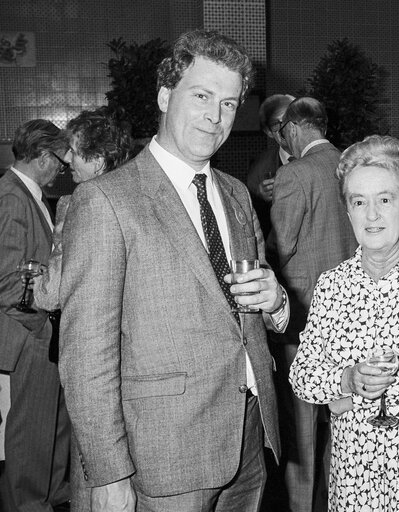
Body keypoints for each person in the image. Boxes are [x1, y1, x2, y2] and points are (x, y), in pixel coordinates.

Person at [59, 29, 287, 511]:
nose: (214, 115)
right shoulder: (106, 201)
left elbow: (248, 310)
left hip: (248, 439)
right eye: (201, 95)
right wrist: (108, 473)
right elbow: (85, 354)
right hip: (160, 457)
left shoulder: (236, 194)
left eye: (228, 103)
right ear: (165, 95)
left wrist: (277, 301)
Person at [289, 135, 399, 511]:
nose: (371, 215)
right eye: (359, 202)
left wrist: (345, 395)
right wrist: (346, 379)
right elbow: (303, 376)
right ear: (348, 211)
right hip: (354, 465)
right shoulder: (332, 283)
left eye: (384, 200)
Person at [267, 96, 357, 512]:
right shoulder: (350, 165)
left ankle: (302, 506)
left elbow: (281, 247)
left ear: (292, 128)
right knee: (341, 426)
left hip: (302, 317)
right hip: (352, 313)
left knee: (301, 433)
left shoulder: (295, 173)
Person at [0, 119, 70, 511]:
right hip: (28, 333)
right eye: (58, 160)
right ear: (43, 156)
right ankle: (27, 501)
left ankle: (51, 490)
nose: (61, 168)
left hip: (38, 329)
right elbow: (6, 283)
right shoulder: (11, 199)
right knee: (31, 429)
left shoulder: (30, 196)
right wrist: (41, 327)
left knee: (53, 422)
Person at [35, 107, 133, 312]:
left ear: (97, 160)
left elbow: (50, 295)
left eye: (74, 151)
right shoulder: (134, 199)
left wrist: (37, 278)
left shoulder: (77, 205)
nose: (68, 158)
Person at [246, 93, 295, 238]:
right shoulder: (260, 169)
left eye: (289, 120)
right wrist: (259, 198)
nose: (284, 128)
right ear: (268, 132)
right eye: (276, 124)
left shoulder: (319, 157)